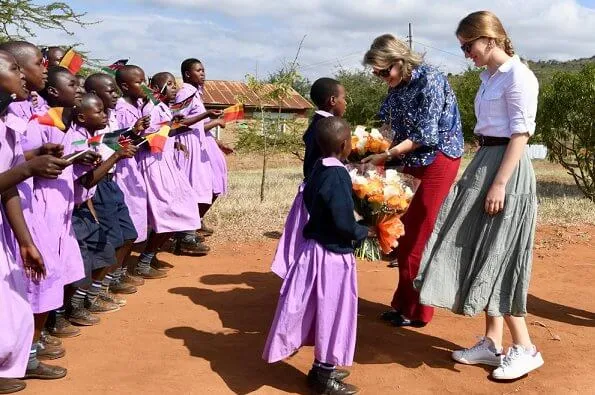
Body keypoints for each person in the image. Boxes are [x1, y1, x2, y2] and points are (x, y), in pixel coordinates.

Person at [414, 11, 543, 381]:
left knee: (501, 253)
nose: (466, 53)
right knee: (482, 249)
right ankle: (492, 343)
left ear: (489, 38)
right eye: (463, 47)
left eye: (467, 45)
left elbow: (521, 134)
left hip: (506, 167)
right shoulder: (489, 77)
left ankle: (525, 348)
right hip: (485, 160)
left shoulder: (519, 76)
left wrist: (500, 183)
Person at [361, 34, 464, 327]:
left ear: (400, 62)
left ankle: (418, 310)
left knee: (418, 231)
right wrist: (370, 150)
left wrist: (386, 155)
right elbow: (388, 125)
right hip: (408, 157)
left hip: (437, 159)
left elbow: (425, 135)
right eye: (376, 73)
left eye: (384, 71)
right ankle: (404, 303)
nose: (381, 77)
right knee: (400, 231)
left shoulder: (430, 79)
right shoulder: (396, 87)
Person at [263, 117, 370, 395]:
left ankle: (324, 367)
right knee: (334, 314)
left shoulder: (318, 169)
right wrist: (364, 231)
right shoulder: (337, 175)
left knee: (324, 311)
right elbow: (342, 221)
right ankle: (324, 375)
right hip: (332, 258)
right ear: (346, 144)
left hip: (315, 252)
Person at [0, 49, 71, 392]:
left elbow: (8, 186)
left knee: (12, 302)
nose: (26, 75)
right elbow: (16, 175)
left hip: (8, 224)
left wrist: (26, 243)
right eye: (14, 68)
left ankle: (15, 360)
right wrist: (28, 167)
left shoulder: (7, 124)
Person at [33, 66, 101, 332]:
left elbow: (69, 161)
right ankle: (35, 343)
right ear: (53, 91)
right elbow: (40, 164)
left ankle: (50, 323)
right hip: (42, 206)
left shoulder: (65, 125)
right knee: (44, 274)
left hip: (62, 207)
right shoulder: (42, 122)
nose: (79, 90)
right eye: (73, 85)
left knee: (64, 269)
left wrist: (82, 158)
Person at [70, 93, 139, 318]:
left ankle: (94, 293)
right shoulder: (77, 140)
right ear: (81, 116)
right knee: (87, 254)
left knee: (119, 240)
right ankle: (76, 304)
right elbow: (87, 180)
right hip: (84, 199)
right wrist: (116, 157)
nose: (103, 114)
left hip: (101, 189)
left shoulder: (92, 134)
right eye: (98, 111)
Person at [271, 77, 347, 279]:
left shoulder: (317, 123)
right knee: (317, 237)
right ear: (332, 100)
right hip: (320, 193)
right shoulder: (328, 127)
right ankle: (309, 277)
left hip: (313, 188)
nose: (345, 103)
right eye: (343, 98)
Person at [134, 72, 203, 274]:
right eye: (170, 84)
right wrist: (171, 128)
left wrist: (174, 129)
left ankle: (149, 256)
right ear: (156, 87)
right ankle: (144, 261)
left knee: (179, 209)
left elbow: (166, 133)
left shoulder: (163, 108)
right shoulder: (152, 108)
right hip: (154, 165)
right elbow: (147, 139)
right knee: (168, 212)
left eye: (176, 85)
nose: (176, 88)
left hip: (166, 163)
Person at [84, 73, 144, 292]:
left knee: (129, 235)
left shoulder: (111, 118)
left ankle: (110, 281)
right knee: (111, 240)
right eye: (109, 90)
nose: (115, 94)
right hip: (98, 184)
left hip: (111, 182)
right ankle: (93, 291)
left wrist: (134, 133)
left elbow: (115, 142)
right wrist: (118, 154)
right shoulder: (89, 123)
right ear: (93, 95)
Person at [173, 58, 224, 254]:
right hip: (188, 147)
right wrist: (211, 118)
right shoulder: (185, 93)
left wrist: (217, 141)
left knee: (206, 188)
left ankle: (189, 230)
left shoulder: (195, 93)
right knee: (197, 189)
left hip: (197, 144)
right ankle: (186, 234)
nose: (203, 73)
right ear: (187, 74)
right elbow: (180, 122)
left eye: (204, 70)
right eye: (198, 70)